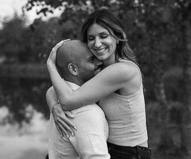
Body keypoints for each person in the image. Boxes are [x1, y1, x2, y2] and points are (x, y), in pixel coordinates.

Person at [47, 9, 151, 159]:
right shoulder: (97, 69)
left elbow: (68, 100)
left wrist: (51, 65)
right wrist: (54, 107)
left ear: (117, 37)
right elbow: (55, 90)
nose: (97, 43)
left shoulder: (123, 70)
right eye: (91, 38)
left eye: (103, 36)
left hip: (129, 154)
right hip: (105, 146)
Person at [47, 39, 110, 159]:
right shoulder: (86, 112)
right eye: (92, 59)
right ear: (73, 69)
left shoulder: (58, 97)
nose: (100, 61)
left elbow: (52, 89)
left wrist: (50, 64)